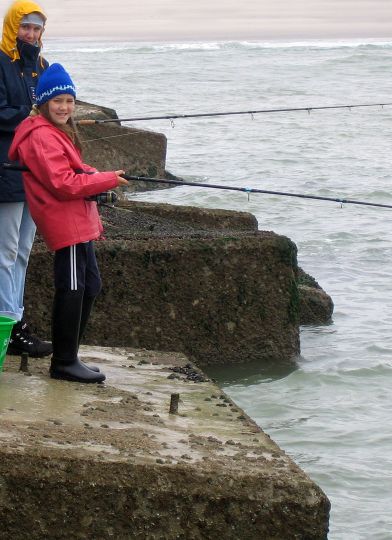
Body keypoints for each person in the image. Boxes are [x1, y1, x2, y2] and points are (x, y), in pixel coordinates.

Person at [9, 63, 129, 383]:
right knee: (73, 286)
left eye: (69, 100)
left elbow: (74, 168)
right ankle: (63, 362)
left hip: (77, 218)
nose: (64, 107)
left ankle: (71, 355)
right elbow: (63, 182)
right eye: (57, 101)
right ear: (44, 102)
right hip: (66, 222)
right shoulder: (41, 135)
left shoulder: (54, 131)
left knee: (91, 285)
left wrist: (98, 175)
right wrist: (104, 181)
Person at [0, 0, 52, 357]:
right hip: (5, 171)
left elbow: (54, 109)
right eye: (25, 27)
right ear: (12, 27)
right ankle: (8, 325)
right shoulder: (1, 62)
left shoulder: (42, 66)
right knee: (4, 252)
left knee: (23, 252)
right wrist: (32, 115)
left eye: (36, 29)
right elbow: (3, 114)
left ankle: (16, 319)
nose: (30, 34)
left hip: (34, 174)